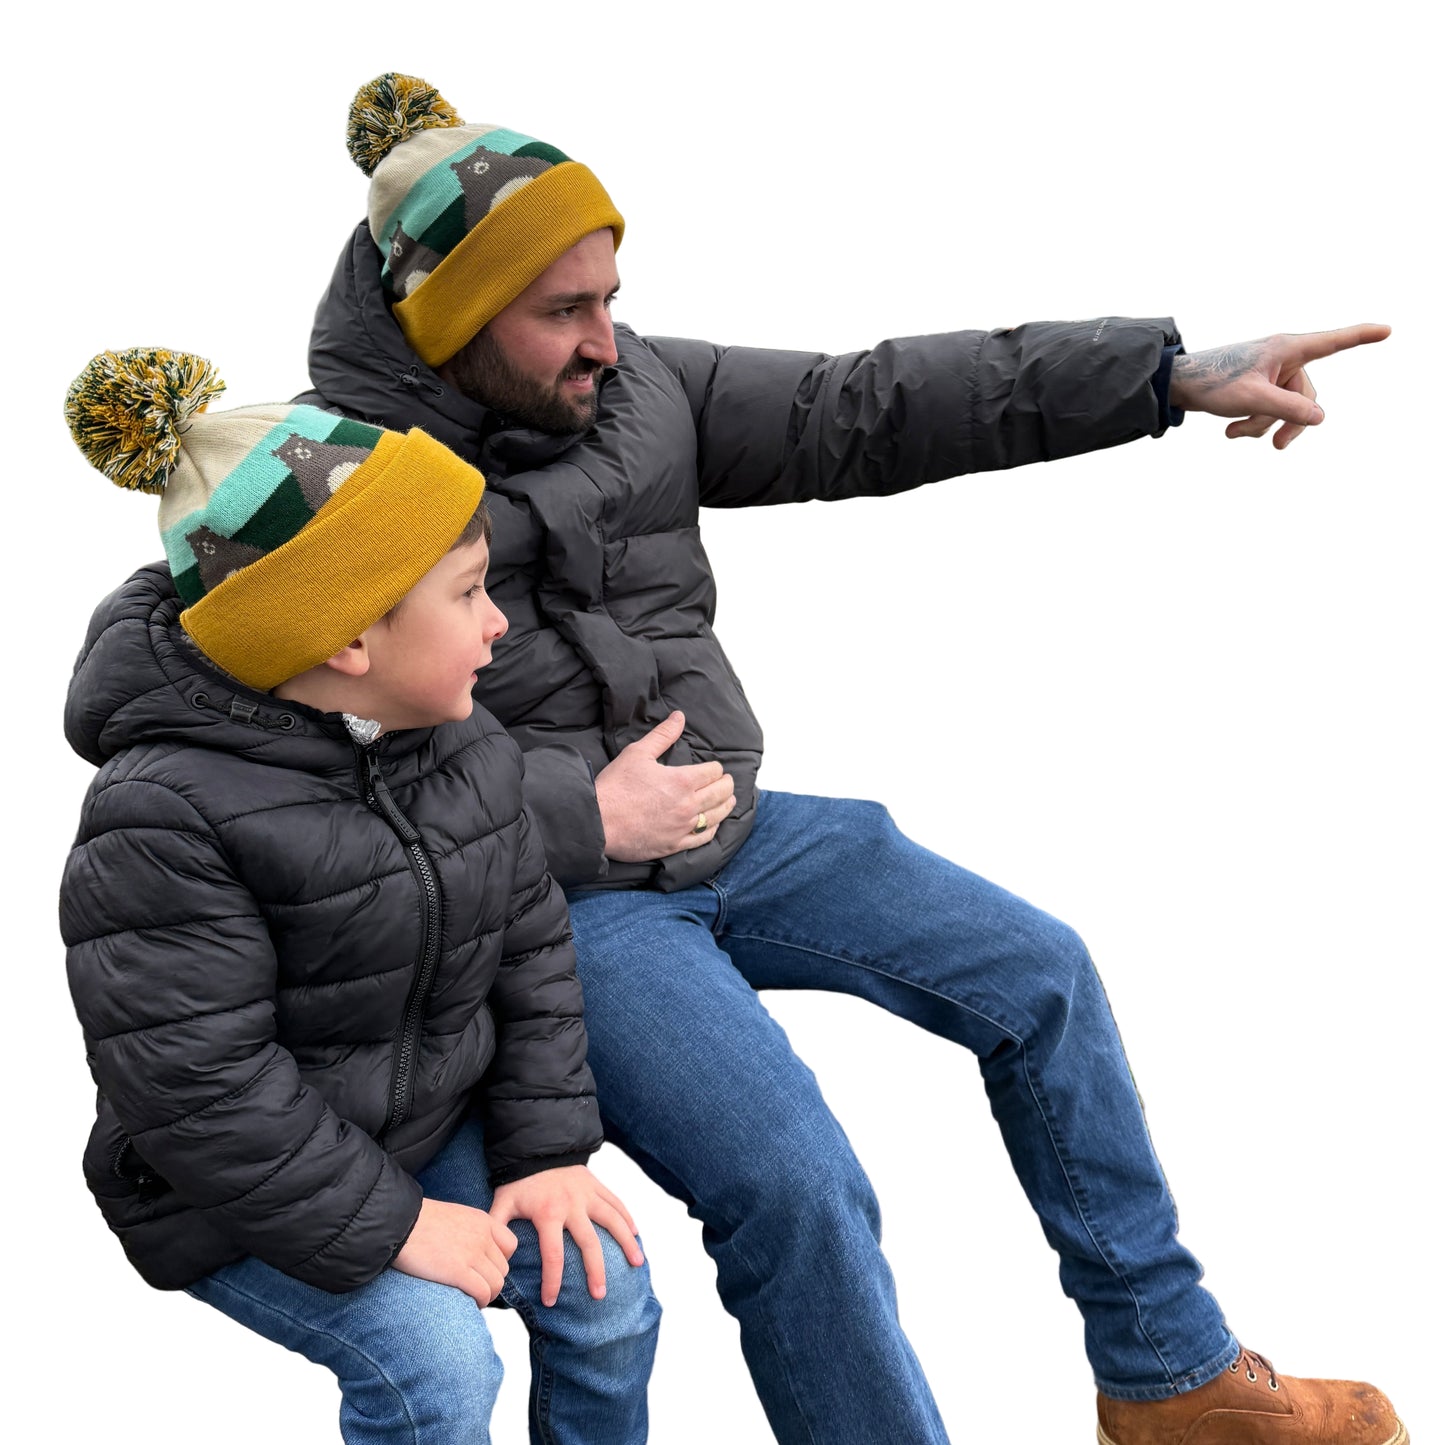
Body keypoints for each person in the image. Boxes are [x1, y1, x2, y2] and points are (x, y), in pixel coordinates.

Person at [300, 73, 1405, 1444]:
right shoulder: (332, 489)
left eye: (611, 294)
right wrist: (579, 814)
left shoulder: (637, 385)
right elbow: (304, 767)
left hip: (728, 824)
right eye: (563, 311)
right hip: (555, 905)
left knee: (1036, 971)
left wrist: (1162, 377)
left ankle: (1170, 1376)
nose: (606, 338)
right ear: (451, 314)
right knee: (798, 1182)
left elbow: (866, 404)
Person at [59, 347, 660, 1445]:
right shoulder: (162, 815)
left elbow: (527, 950)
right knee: (436, 1363)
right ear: (345, 637)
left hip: (419, 1126)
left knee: (603, 1286)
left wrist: (544, 1153)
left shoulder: (462, 741)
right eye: (469, 593)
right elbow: (198, 1085)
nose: (499, 624)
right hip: (224, 1187)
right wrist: (395, 1227)